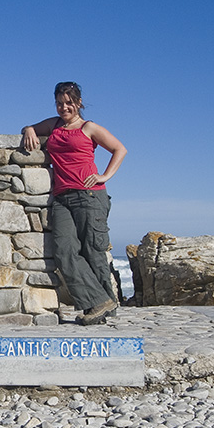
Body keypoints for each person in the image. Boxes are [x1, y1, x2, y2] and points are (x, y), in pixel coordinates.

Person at [22, 81, 127, 325]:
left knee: (93, 251)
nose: (64, 107)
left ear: (78, 103)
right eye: (60, 103)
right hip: (62, 197)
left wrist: (104, 176)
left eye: (69, 103)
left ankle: (104, 307)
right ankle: (100, 301)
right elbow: (31, 128)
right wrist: (28, 129)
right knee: (64, 250)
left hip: (90, 196)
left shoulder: (89, 128)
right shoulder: (55, 125)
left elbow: (119, 149)